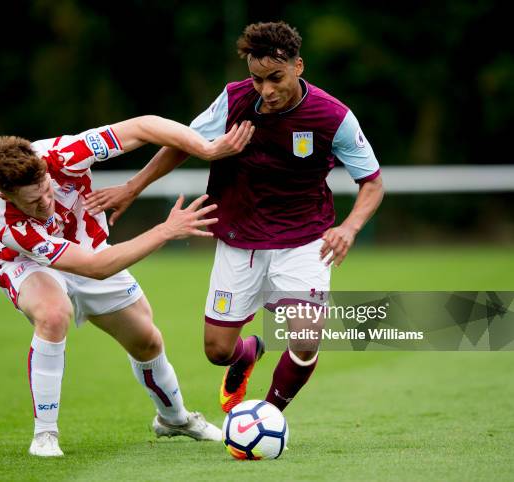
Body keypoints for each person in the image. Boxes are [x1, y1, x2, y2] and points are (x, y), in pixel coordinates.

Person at [85, 21, 384, 414]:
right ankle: (248, 355)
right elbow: (183, 143)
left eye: (275, 78)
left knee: (306, 338)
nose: (266, 90)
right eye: (258, 79)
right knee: (217, 351)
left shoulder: (333, 117)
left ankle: (268, 415)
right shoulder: (234, 100)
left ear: (299, 66)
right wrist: (132, 187)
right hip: (239, 240)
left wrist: (349, 227)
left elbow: (373, 183)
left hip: (304, 242)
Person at [0, 115, 254, 456]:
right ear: (6, 194)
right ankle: (45, 435)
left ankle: (174, 419)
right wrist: (165, 231)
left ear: (44, 170)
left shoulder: (65, 154)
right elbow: (97, 269)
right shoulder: (11, 225)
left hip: (87, 247)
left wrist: (207, 148)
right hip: (30, 263)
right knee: (54, 315)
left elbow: (144, 127)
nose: (45, 202)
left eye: (46, 190)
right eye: (33, 202)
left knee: (147, 340)